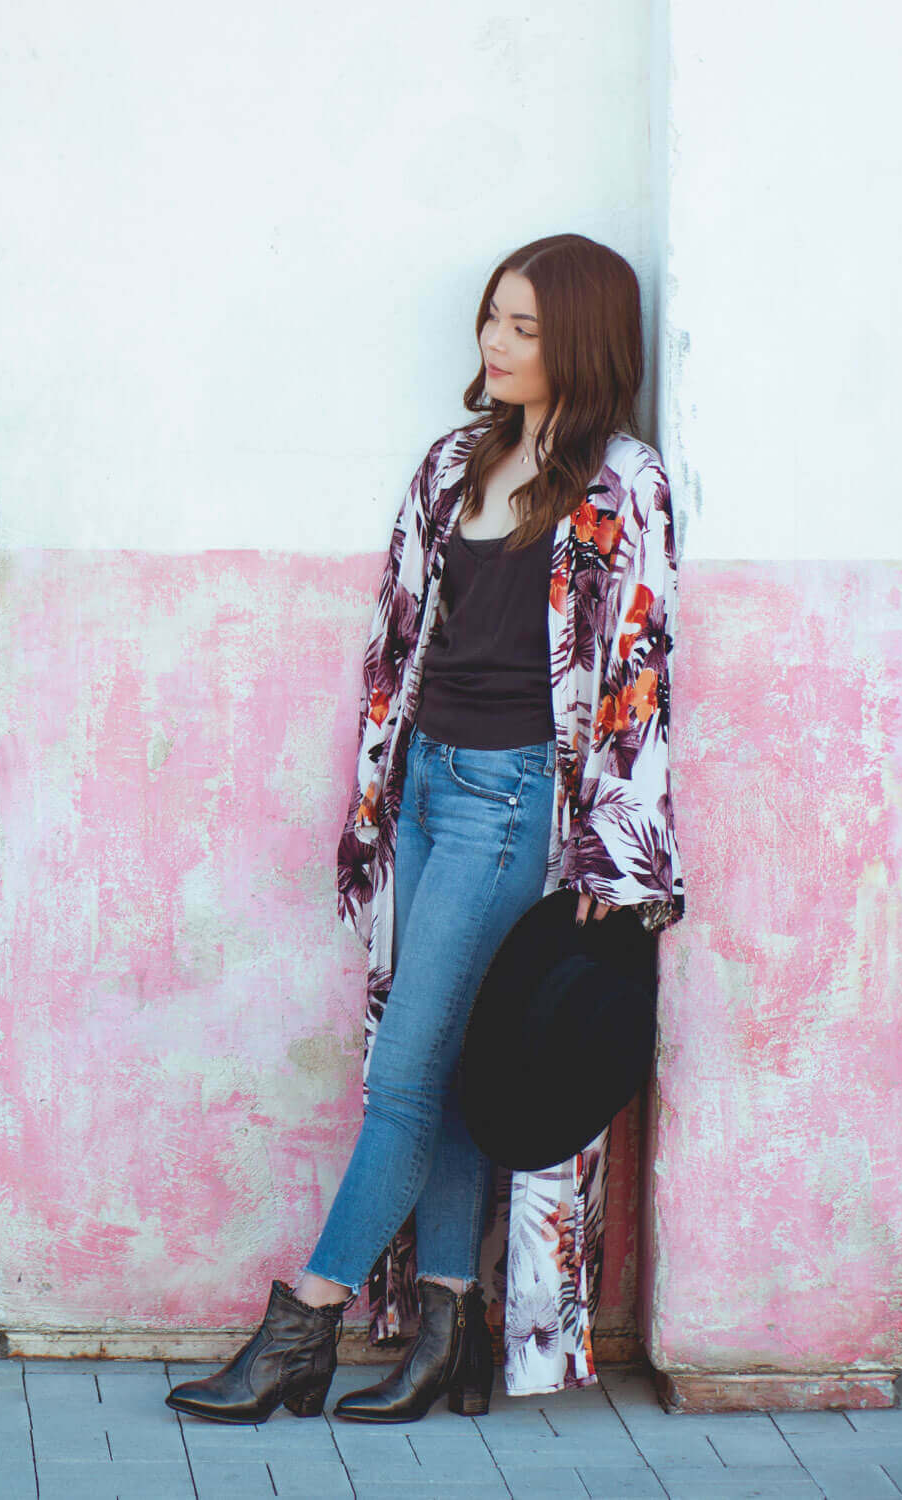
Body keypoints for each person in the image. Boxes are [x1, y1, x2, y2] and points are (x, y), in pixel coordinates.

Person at [166, 233, 686, 1427]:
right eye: (491, 320)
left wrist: (618, 848)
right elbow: (398, 639)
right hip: (424, 788)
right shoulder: (455, 460)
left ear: (584, 342)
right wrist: (372, 798)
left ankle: (301, 1327)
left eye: (524, 328)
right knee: (454, 1059)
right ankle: (448, 1326)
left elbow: (636, 672)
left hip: (513, 807)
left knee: (402, 1078)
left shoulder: (624, 482)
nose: (495, 346)